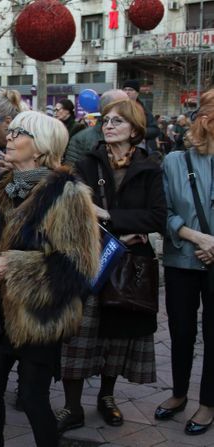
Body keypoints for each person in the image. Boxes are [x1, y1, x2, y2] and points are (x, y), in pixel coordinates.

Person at [0, 110, 99, 447]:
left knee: (33, 398)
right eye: (10, 131)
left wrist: (15, 266)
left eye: (18, 132)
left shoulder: (68, 194)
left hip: (40, 315)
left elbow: (78, 266)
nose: (8, 136)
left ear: (40, 146)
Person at [56, 98, 166, 433]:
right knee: (78, 337)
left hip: (129, 268)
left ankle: (107, 397)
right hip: (90, 260)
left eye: (118, 121)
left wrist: (109, 216)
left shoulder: (149, 166)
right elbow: (75, 208)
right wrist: (122, 227)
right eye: (106, 120)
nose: (109, 125)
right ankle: (72, 407)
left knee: (118, 336)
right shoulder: (88, 163)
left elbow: (157, 216)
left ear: (134, 129)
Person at [157, 88, 214, 436]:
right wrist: (196, 237)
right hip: (182, 258)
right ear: (205, 119)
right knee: (180, 330)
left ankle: (207, 402)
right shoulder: (175, 161)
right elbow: (162, 211)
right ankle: (178, 393)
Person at [63, 89, 128, 165]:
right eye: (124, 105)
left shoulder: (134, 136)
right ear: (107, 108)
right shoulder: (81, 139)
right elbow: (72, 171)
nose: (131, 109)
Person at [122, 80, 160, 152]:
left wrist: (139, 132)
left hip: (139, 150)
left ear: (137, 93)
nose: (127, 92)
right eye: (125, 89)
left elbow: (155, 130)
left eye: (130, 90)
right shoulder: (116, 108)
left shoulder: (144, 110)